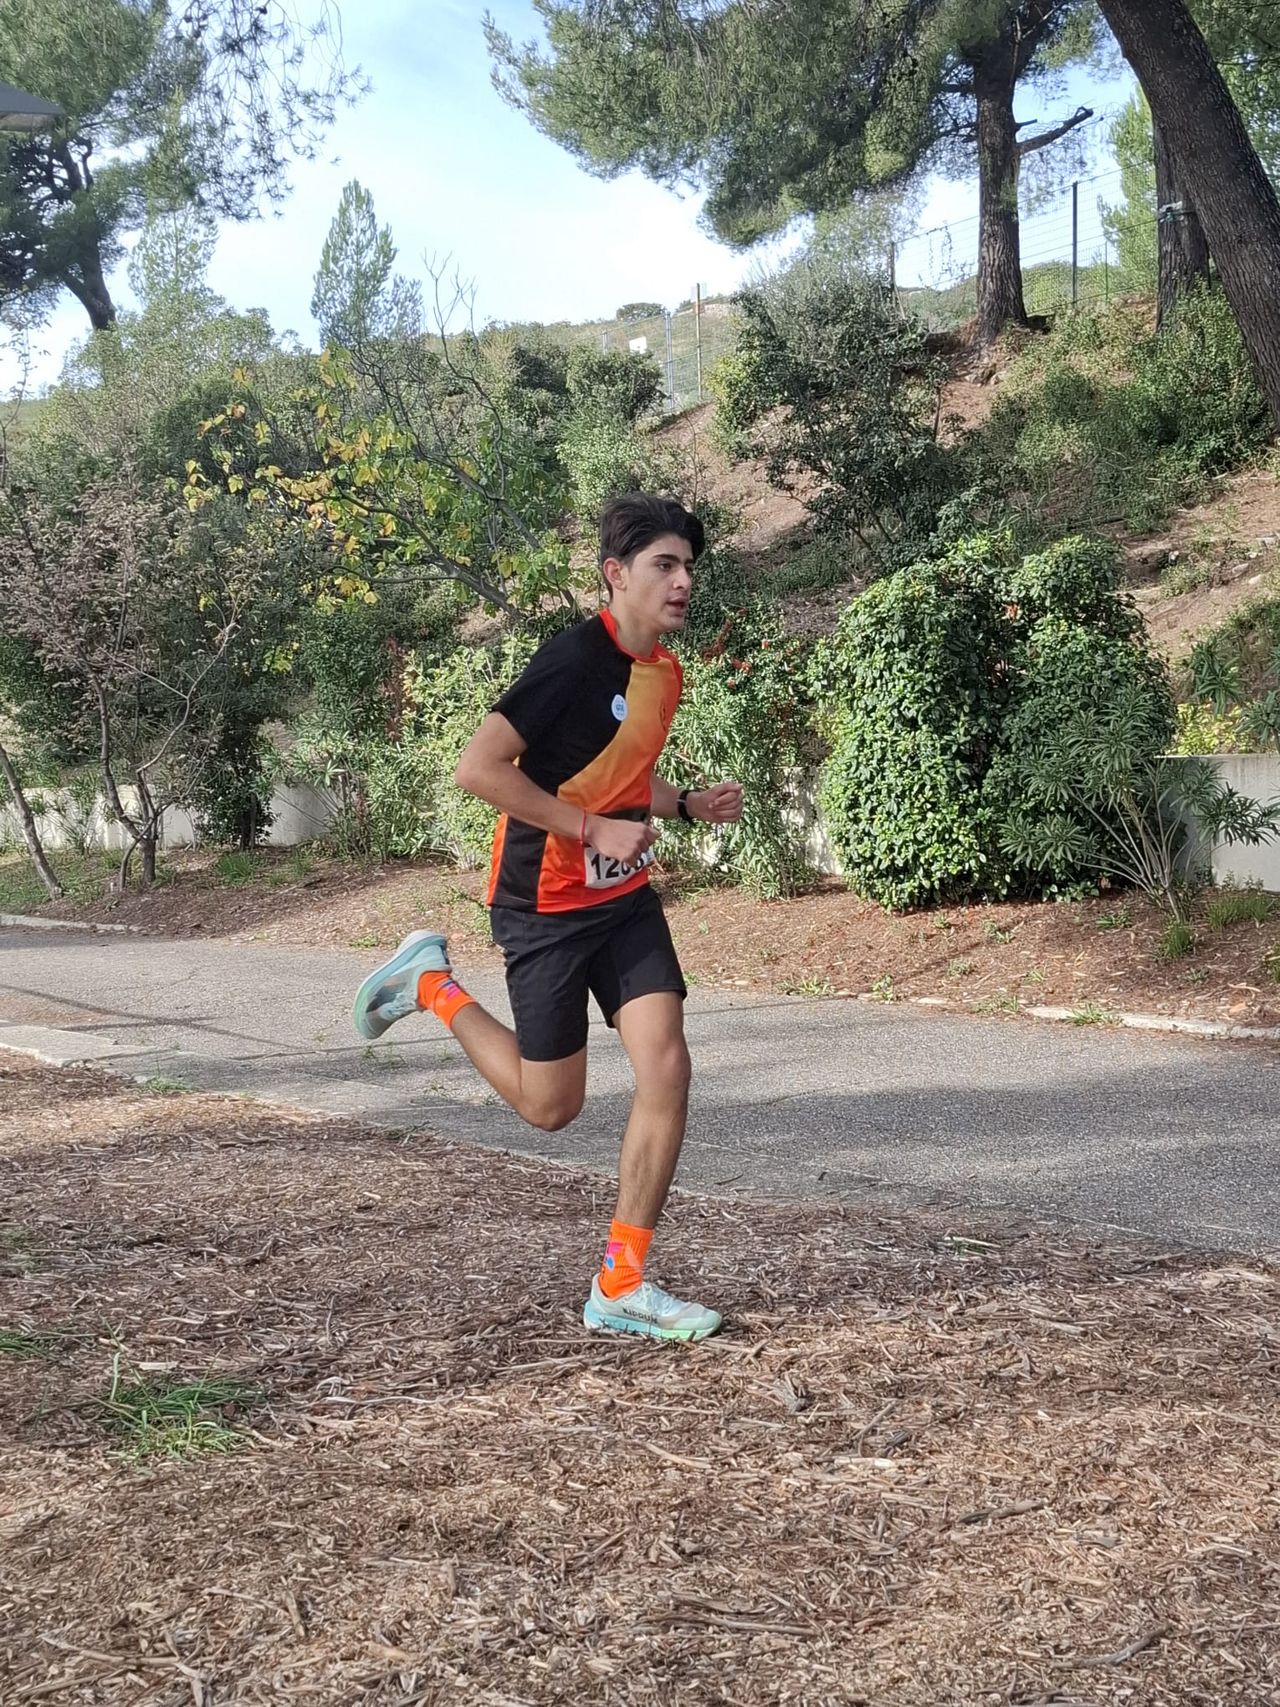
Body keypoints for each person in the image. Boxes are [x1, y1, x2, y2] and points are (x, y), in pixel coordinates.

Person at [352, 493, 742, 1341]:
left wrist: (684, 804)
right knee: (549, 1105)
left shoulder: (664, 672)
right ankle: (430, 985)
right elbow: (479, 768)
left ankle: (621, 1282)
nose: (682, 582)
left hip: (621, 899)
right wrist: (588, 829)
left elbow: (618, 773)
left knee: (667, 1064)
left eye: (687, 567)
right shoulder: (571, 659)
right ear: (616, 574)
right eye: (664, 565)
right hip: (545, 903)